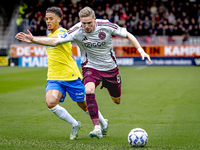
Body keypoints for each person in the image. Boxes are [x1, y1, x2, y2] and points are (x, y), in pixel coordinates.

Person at [16, 6, 151, 139]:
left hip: (103, 70)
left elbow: (127, 34)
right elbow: (54, 40)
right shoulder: (76, 30)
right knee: (84, 92)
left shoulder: (102, 26)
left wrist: (141, 50)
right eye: (83, 23)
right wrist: (33, 39)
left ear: (95, 19)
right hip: (86, 69)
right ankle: (94, 127)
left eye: (89, 23)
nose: (86, 26)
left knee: (115, 100)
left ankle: (103, 122)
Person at [16, 7, 108, 140]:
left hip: (70, 77)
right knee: (51, 102)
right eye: (47, 19)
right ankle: (75, 124)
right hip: (54, 78)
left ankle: (104, 123)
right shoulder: (49, 36)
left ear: (59, 19)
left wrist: (33, 39)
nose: (48, 21)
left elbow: (54, 43)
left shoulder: (63, 33)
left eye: (51, 19)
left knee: (84, 106)